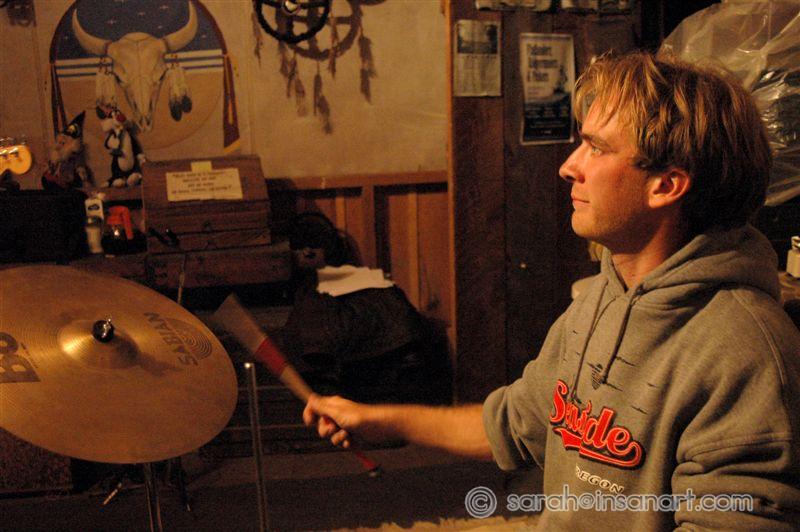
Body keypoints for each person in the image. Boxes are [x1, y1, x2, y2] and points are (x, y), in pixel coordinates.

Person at [303, 52, 800, 529]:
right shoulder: (600, 300)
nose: (568, 166)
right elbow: (517, 423)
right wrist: (382, 420)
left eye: (597, 148)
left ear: (666, 185)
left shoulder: (744, 351)